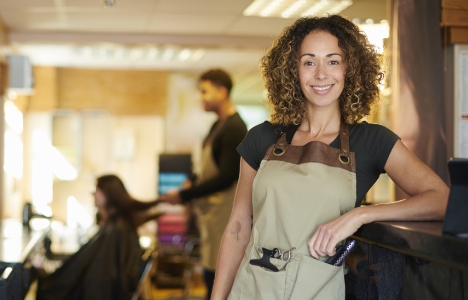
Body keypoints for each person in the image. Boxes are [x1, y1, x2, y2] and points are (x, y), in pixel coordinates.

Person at [210, 15, 449, 300]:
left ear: (350, 69)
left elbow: (441, 199)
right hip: (252, 287)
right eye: (309, 62)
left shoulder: (372, 141)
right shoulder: (262, 137)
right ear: (292, 71)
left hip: (318, 290)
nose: (321, 74)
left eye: (333, 61)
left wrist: (361, 215)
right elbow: (238, 228)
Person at [159, 69, 248, 300]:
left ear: (222, 91)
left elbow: (227, 176)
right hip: (212, 213)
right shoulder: (216, 126)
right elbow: (207, 168)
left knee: (220, 276)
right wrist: (192, 182)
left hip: (225, 213)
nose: (201, 97)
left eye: (204, 91)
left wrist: (185, 195)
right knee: (211, 272)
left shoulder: (235, 128)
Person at [37, 174, 161, 300]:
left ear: (108, 193)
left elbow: (100, 276)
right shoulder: (116, 225)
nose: (93, 194)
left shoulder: (118, 229)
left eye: (97, 189)